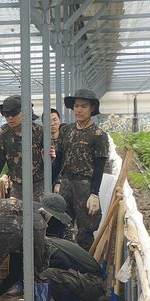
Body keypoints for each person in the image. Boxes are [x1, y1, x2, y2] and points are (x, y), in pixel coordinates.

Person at [52, 88, 109, 250]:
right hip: (66, 184)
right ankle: (64, 260)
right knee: (60, 224)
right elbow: (59, 160)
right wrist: (52, 183)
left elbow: (99, 166)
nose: (79, 110)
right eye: (76, 106)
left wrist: (94, 193)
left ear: (92, 108)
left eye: (84, 106)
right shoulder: (66, 130)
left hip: (85, 186)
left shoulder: (98, 135)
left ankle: (85, 263)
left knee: (86, 230)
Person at [0, 95, 50, 201]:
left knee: (39, 210)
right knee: (16, 210)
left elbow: (52, 160)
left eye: (14, 113)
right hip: (17, 186)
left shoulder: (40, 132)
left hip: (39, 184)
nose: (10, 118)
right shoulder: (3, 135)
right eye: (6, 114)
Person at [40, 235, 106, 301]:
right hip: (90, 279)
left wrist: (40, 265)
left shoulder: (46, 245)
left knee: (48, 275)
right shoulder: (48, 240)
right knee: (48, 273)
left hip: (93, 284)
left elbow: (64, 263)